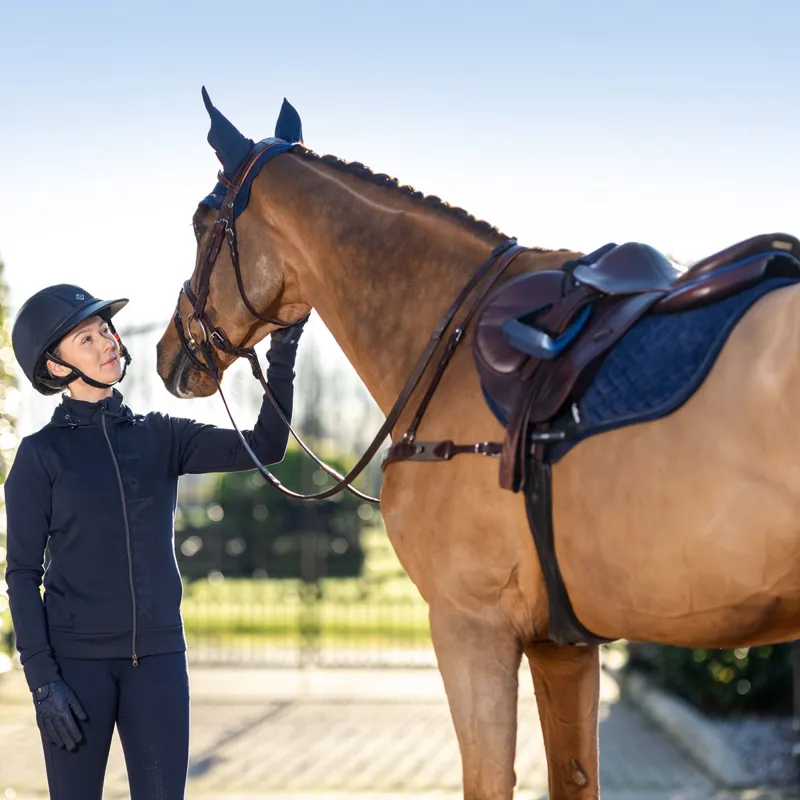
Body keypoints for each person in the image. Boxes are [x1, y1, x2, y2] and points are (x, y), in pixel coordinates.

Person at [4, 283, 305, 799]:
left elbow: (266, 446)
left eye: (106, 330)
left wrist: (282, 352)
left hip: (160, 664)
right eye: (86, 338)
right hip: (75, 673)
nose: (107, 343)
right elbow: (22, 576)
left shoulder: (161, 435)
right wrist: (43, 682)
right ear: (56, 367)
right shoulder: (39, 457)